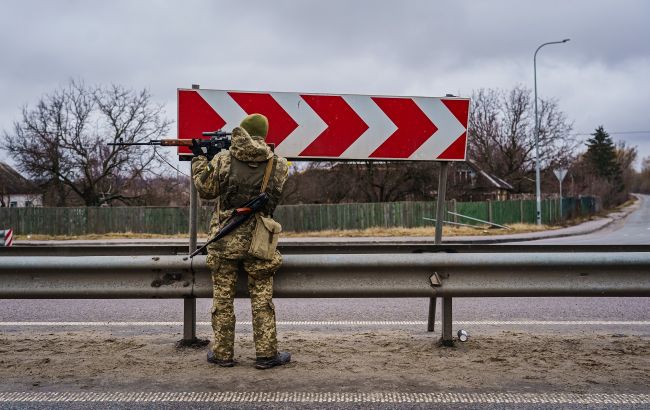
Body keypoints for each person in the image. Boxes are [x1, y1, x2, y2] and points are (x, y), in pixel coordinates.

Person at [191, 113, 291, 370]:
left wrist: (200, 159)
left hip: (225, 239)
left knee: (223, 299)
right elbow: (273, 198)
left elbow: (205, 189)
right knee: (262, 300)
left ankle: (223, 354)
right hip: (259, 240)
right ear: (264, 136)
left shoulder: (223, 159)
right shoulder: (278, 164)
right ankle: (266, 355)